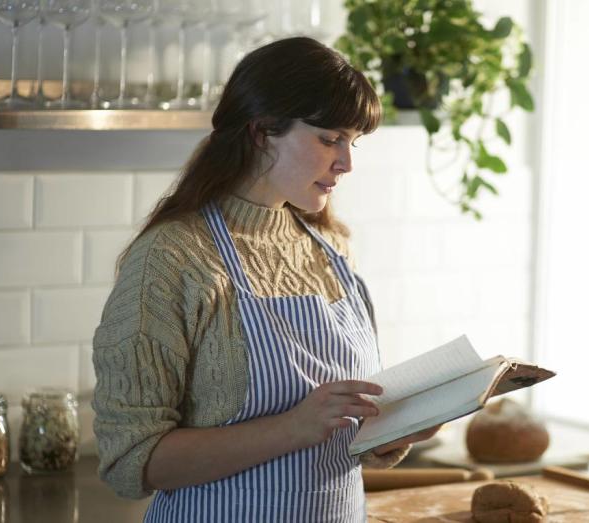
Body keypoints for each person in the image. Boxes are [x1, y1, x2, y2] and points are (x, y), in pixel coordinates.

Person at [91, 36, 438, 522]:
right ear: (261, 132)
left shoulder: (331, 246)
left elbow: (334, 437)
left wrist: (382, 439)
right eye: (328, 138)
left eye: (352, 142)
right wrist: (294, 427)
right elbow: (132, 460)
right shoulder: (172, 258)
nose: (346, 162)